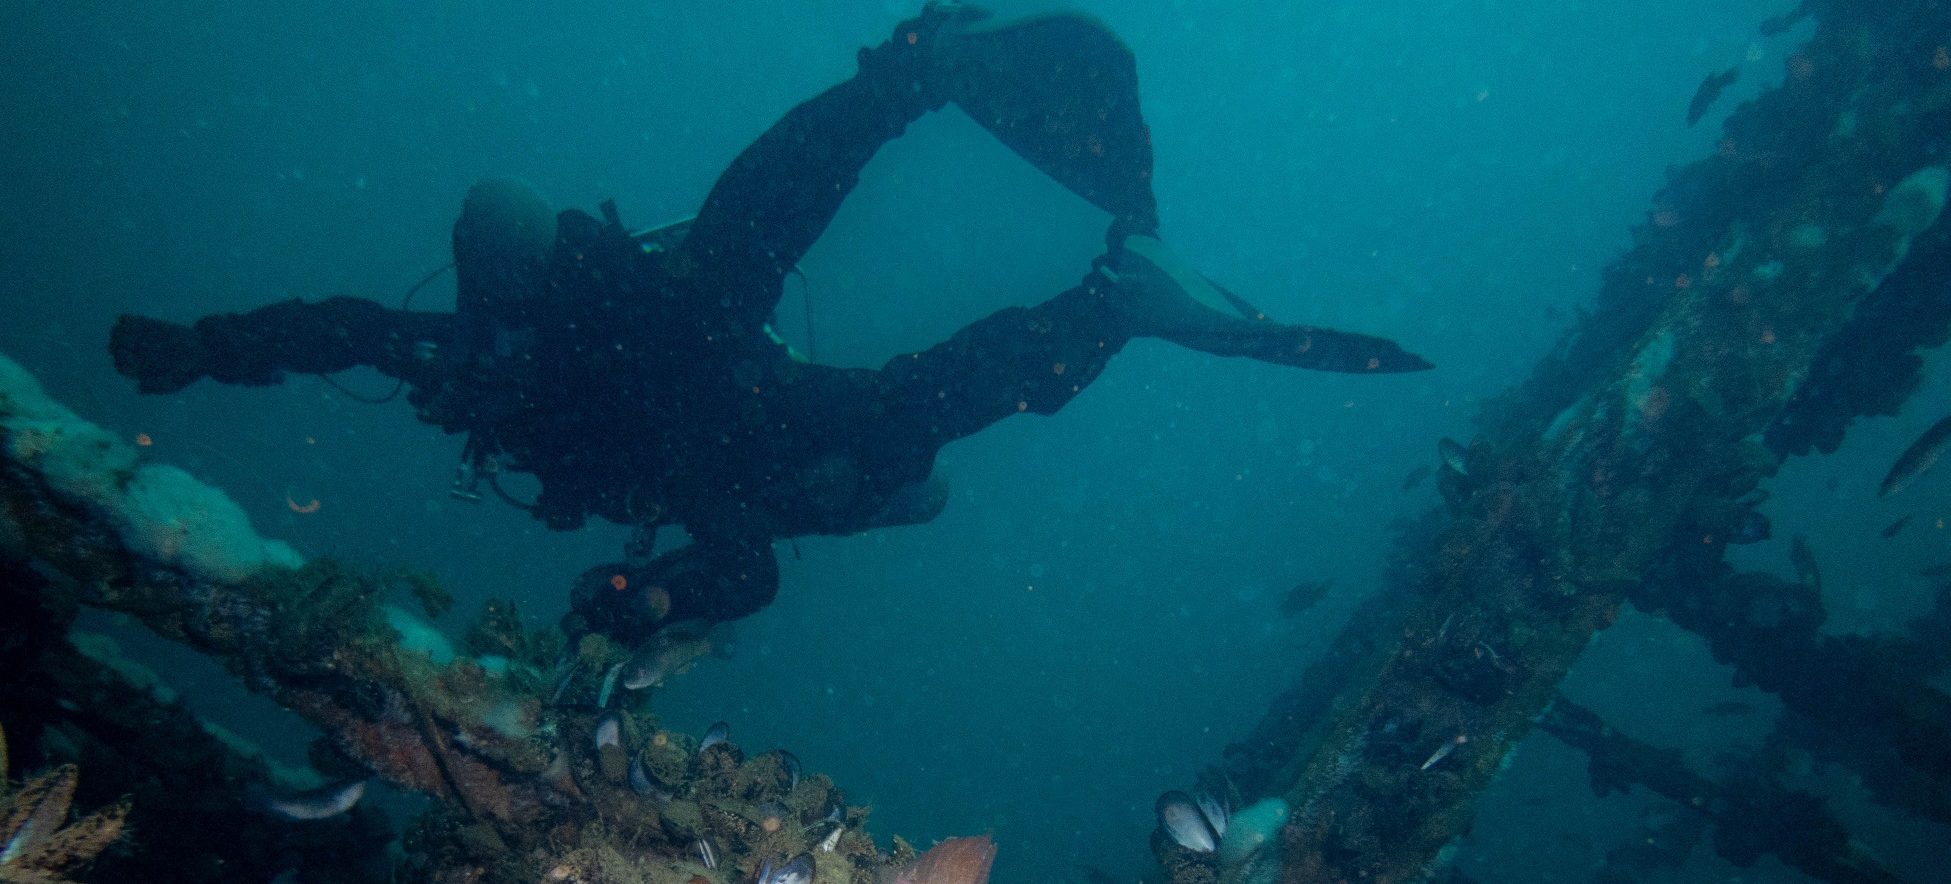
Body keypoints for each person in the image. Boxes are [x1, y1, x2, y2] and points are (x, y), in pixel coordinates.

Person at [111, 6, 1430, 646]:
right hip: (718, 393)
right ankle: (932, 110)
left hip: (710, 415)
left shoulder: (480, 358)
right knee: (821, 325)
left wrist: (646, 596)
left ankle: (1097, 293)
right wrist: (652, 594)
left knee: (886, 399)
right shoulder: (507, 343)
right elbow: (337, 327)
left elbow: (336, 328)